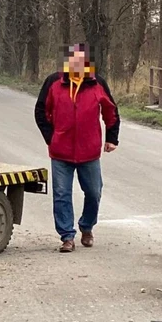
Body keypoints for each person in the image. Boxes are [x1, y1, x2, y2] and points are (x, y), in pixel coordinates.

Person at [34, 42, 120, 253]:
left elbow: (111, 111)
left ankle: (87, 226)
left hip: (89, 151)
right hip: (60, 151)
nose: (77, 64)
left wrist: (112, 138)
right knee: (62, 194)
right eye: (73, 60)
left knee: (93, 192)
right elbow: (40, 112)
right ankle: (67, 236)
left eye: (81, 60)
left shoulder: (97, 83)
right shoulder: (54, 82)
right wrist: (51, 138)